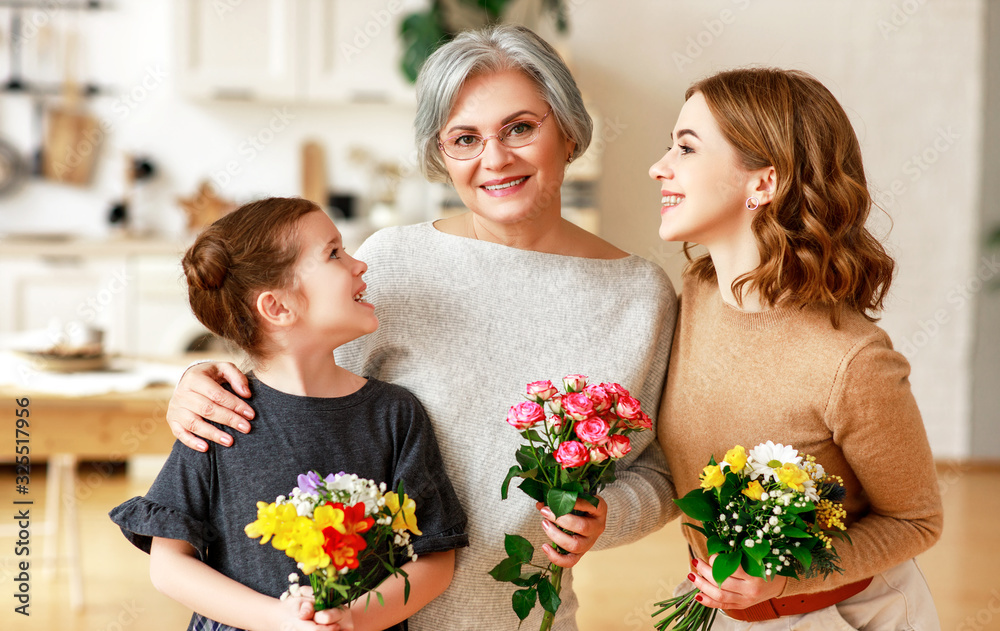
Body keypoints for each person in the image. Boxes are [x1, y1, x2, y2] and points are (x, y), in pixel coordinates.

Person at [162, 25, 678, 630]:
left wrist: (606, 514)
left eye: (520, 128)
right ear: (441, 155)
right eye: (465, 139)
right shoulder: (391, 264)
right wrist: (203, 383)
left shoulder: (641, 296)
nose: (496, 159)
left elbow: (660, 471)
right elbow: (301, 397)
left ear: (566, 130)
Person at [651, 68, 943, 629]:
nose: (659, 167)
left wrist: (784, 577)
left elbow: (916, 521)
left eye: (686, 148)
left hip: (844, 614)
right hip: (719, 610)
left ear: (764, 183)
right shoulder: (698, 294)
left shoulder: (854, 362)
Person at [110, 197, 468, 631]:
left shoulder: (396, 414)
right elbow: (169, 566)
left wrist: (352, 620)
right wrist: (279, 621)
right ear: (277, 307)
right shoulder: (221, 415)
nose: (360, 266)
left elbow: (435, 556)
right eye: (334, 253)